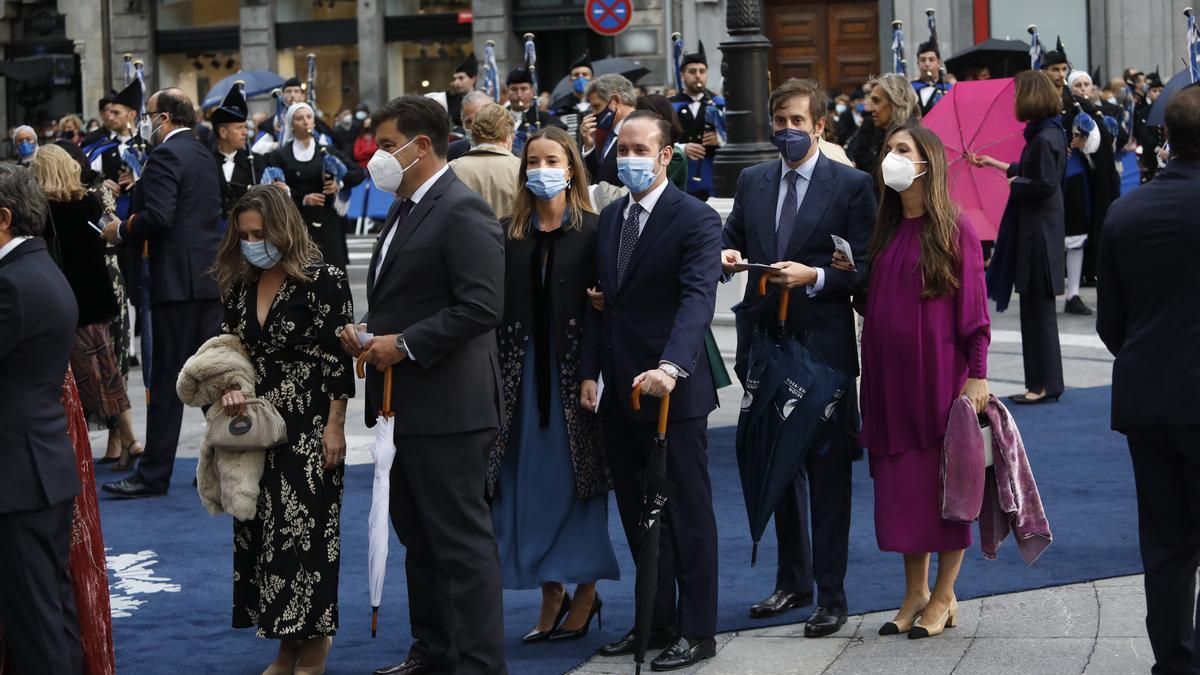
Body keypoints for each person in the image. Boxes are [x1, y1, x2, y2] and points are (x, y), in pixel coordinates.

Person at [342, 95, 506, 675]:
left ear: (422, 146)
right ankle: (434, 652)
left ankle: (480, 664)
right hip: (402, 406)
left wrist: (404, 343)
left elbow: (482, 306)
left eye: (387, 146)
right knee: (420, 540)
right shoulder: (406, 206)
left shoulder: (461, 209)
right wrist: (368, 333)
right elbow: (411, 294)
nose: (377, 158)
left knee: (460, 544)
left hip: (450, 408)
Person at [720, 77, 877, 636]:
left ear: (820, 126)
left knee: (828, 473)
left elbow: (865, 269)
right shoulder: (753, 179)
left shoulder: (852, 185)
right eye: (780, 121)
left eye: (797, 122)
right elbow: (733, 235)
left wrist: (813, 277)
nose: (788, 131)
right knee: (776, 466)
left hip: (823, 349)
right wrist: (729, 252)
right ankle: (793, 581)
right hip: (765, 345)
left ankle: (831, 595)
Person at [583, 110, 723, 670]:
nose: (630, 159)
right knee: (638, 513)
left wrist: (671, 365)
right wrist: (592, 373)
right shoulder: (611, 216)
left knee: (686, 512)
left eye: (642, 150)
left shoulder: (696, 220)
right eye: (623, 150)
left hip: (672, 392)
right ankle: (654, 618)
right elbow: (601, 305)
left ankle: (698, 629)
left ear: (667, 155)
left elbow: (696, 300)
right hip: (619, 391)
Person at [853, 121, 990, 639]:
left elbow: (974, 315)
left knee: (945, 493)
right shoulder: (885, 231)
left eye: (902, 150)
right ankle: (913, 593)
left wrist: (976, 376)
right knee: (902, 492)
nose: (891, 156)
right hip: (888, 385)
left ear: (926, 164)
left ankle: (945, 595)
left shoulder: (957, 230)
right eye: (888, 149)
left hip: (938, 384)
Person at [211, 184, 353, 675]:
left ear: (284, 228)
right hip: (256, 426)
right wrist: (229, 384)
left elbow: (338, 361)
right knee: (262, 532)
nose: (253, 242)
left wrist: (335, 426)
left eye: (261, 233)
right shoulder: (240, 284)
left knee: (307, 534)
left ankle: (313, 646)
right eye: (245, 234)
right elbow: (231, 349)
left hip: (310, 418)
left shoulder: (325, 279)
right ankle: (285, 645)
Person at [489, 126, 619, 644]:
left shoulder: (594, 229)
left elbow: (603, 307)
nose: (542, 169)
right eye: (533, 161)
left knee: (578, 484)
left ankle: (584, 591)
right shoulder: (507, 231)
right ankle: (550, 592)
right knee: (522, 486)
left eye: (552, 159)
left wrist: (592, 372)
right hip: (518, 378)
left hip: (573, 378)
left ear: (571, 168)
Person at [1099, 82, 1200, 674]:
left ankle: (1174, 663)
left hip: (1149, 397)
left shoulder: (1126, 210)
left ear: (1165, 139)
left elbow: (1113, 321)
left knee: (1165, 547)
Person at [99, 88, 224, 498]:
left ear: (165, 119)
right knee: (210, 380)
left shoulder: (168, 154)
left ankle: (153, 474)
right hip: (206, 280)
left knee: (168, 380)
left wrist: (123, 229)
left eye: (150, 115)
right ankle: (229, 460)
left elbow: (160, 216)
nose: (146, 123)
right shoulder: (204, 152)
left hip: (176, 282)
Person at [0, 163, 83, 675]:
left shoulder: (13, 283)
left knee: (35, 622)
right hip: (37, 467)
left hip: (19, 475)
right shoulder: (39, 268)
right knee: (50, 614)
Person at [31, 143, 144, 471]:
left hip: (68, 301)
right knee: (108, 369)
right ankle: (128, 438)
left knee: (80, 379)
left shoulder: (43, 211)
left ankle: (85, 446)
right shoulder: (87, 201)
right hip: (99, 295)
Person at [971, 70, 1065, 405]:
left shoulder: (1044, 137)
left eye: (1018, 93)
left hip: (1036, 235)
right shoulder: (1048, 133)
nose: (1014, 100)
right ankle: (1045, 383)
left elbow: (1044, 184)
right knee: (1038, 314)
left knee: (1037, 316)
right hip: (1039, 232)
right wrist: (996, 165)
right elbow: (1035, 172)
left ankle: (1040, 385)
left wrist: (1016, 184)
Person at [267, 102, 365, 270]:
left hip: (328, 220)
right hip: (297, 221)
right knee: (301, 271)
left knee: (332, 271)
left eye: (309, 117)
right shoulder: (280, 155)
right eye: (299, 118)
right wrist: (303, 198)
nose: (305, 121)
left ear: (313, 121)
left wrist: (339, 183)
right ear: (291, 124)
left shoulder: (326, 150)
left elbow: (358, 173)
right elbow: (276, 187)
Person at [1061, 70, 1119, 315]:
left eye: (1087, 84)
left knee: (1078, 237)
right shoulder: (1064, 112)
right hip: (1069, 177)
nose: (1083, 88)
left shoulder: (1097, 112)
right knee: (1070, 235)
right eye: (1078, 84)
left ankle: (1073, 293)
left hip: (1091, 180)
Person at [669, 42, 726, 201]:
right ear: (682, 75)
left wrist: (719, 139)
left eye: (702, 71)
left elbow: (737, 139)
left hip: (712, 177)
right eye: (692, 71)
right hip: (680, 178)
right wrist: (682, 148)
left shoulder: (719, 104)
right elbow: (659, 140)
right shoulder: (669, 105)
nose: (698, 76)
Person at [81, 79, 145, 220]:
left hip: (144, 218)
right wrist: (100, 184)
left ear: (132, 115)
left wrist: (139, 178)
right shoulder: (103, 148)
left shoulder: (148, 146)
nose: (110, 117)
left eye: (116, 113)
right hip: (112, 217)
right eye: (110, 112)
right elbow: (85, 181)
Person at [449, 103, 522, 218]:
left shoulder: (452, 169)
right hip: (509, 235)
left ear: (473, 133)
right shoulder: (521, 168)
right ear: (508, 135)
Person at [211, 85, 267, 226]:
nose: (245, 132)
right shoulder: (206, 162)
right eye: (239, 128)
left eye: (245, 127)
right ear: (223, 132)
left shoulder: (255, 161)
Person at [847, 74, 919, 179]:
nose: (871, 109)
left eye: (877, 101)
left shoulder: (914, 137)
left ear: (896, 102)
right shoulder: (871, 126)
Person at [580, 74, 638, 186]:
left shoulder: (638, 131)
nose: (593, 113)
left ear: (615, 101)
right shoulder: (612, 134)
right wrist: (589, 145)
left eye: (596, 107)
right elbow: (600, 176)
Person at [507, 67, 567, 154]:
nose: (519, 95)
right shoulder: (499, 117)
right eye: (514, 89)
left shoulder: (545, 118)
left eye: (524, 89)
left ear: (532, 91)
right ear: (507, 92)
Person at [554, 52, 594, 137]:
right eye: (576, 75)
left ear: (593, 79)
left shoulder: (600, 103)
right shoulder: (561, 106)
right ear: (570, 81)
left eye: (585, 74)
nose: (580, 78)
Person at [912, 40, 951, 115]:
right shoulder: (911, 89)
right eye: (922, 60)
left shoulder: (948, 88)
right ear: (918, 63)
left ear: (939, 63)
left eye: (931, 59)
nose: (927, 64)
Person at [448, 52, 478, 127]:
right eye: (455, 79)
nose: (456, 82)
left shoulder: (482, 100)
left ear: (473, 79)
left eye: (461, 78)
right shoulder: (450, 102)